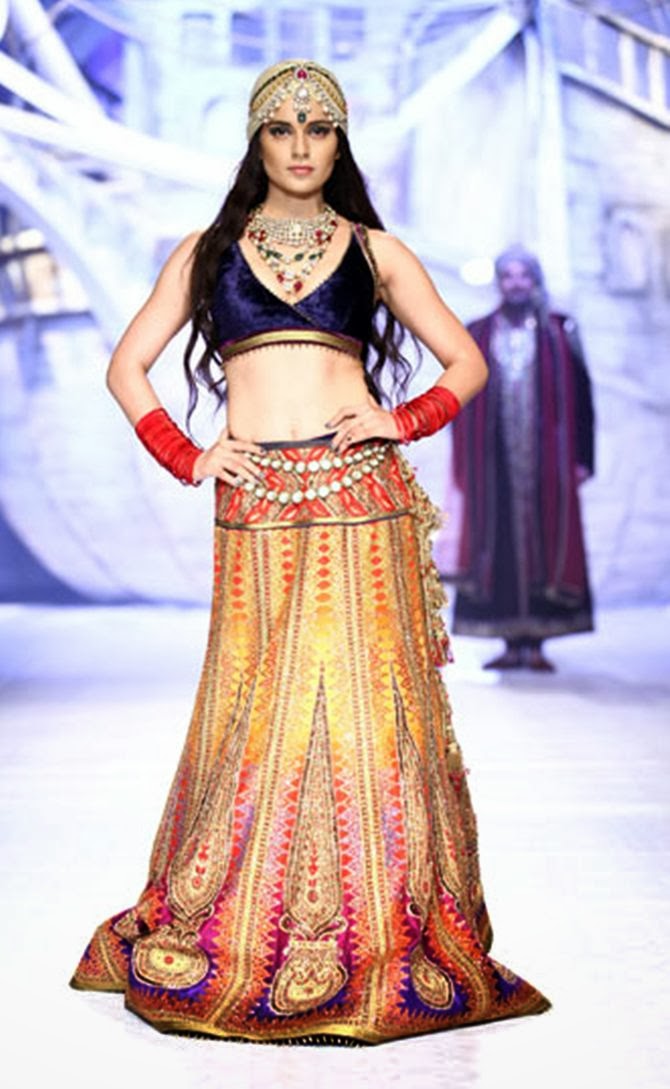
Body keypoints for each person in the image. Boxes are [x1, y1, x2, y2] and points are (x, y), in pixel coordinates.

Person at [70, 61, 549, 1044]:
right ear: (257, 141)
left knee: (368, 716)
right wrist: (188, 455)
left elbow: (466, 361)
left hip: (358, 499)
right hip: (253, 502)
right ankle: (247, 924)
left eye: (317, 128)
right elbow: (127, 368)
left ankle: (375, 936)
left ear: (339, 141)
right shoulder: (208, 250)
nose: (299, 145)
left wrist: (401, 419)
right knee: (256, 712)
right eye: (281, 128)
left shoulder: (375, 251)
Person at [451, 246, 595, 672]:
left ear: (535, 280)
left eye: (523, 275)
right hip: (493, 463)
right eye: (508, 275)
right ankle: (510, 643)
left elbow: (583, 400)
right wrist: (464, 461)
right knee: (498, 544)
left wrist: (584, 459)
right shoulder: (478, 333)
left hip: (549, 461)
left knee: (547, 542)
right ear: (499, 282)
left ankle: (538, 644)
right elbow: (461, 397)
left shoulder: (559, 331)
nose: (515, 283)